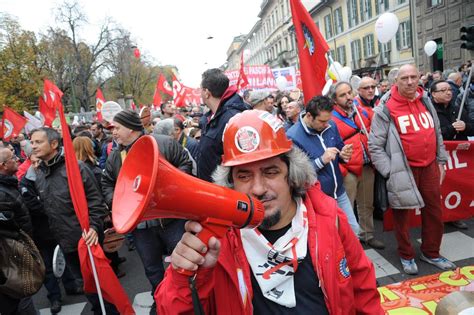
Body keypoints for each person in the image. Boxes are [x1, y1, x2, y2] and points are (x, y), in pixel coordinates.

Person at [155, 110, 382, 314]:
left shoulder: (329, 217)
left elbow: (364, 292)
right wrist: (184, 275)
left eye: (271, 172)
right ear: (231, 182)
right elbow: (171, 309)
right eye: (244, 176)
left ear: (291, 175)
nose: (258, 189)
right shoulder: (217, 241)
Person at [101, 109, 192, 314]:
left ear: (131, 127)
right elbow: (106, 183)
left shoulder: (163, 143)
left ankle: (188, 299)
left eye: (116, 127)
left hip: (171, 220)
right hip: (141, 227)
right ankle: (160, 299)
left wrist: (170, 188)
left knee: (184, 264)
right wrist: (118, 202)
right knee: (152, 270)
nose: (113, 133)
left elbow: (185, 164)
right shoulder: (115, 156)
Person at [369, 64, 457, 275]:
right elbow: (375, 146)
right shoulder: (386, 108)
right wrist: (390, 171)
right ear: (395, 82)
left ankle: (431, 252)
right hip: (402, 170)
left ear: (419, 77)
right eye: (404, 78)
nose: (409, 82)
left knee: (434, 212)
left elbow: (436, 133)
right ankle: (406, 255)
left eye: (413, 77)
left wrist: (441, 161)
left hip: (429, 167)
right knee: (402, 216)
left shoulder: (425, 100)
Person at [30, 127, 118, 314]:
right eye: (32, 142)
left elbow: (95, 200)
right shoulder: (39, 174)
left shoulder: (76, 168)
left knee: (102, 287)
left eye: (38, 142)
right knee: (87, 286)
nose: (33, 146)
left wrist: (95, 227)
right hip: (64, 242)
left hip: (87, 238)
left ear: (54, 144)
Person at [286, 96, 360, 235]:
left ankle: (351, 257)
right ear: (309, 116)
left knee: (353, 230)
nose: (326, 124)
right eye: (322, 121)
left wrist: (343, 155)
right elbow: (298, 174)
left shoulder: (331, 125)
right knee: (331, 236)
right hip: (318, 197)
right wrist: (321, 160)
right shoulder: (292, 136)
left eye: (328, 120)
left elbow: (338, 149)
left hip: (339, 191)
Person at [331, 81, 385, 249]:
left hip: (366, 165)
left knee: (366, 203)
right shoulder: (331, 118)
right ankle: (347, 242)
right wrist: (342, 170)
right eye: (342, 95)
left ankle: (367, 235)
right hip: (348, 170)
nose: (348, 97)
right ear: (334, 99)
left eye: (349, 92)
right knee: (347, 208)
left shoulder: (360, 111)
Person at [0, 147, 39, 315]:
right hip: (12, 254)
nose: (17, 159)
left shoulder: (8, 183)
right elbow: (7, 228)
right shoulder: (2, 193)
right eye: (12, 157)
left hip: (17, 248)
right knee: (20, 293)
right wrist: (21, 243)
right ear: (2, 165)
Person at [198, 68, 250, 182]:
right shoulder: (211, 117)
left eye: (200, 89)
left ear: (207, 93)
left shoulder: (233, 119)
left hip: (223, 191)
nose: (199, 93)